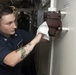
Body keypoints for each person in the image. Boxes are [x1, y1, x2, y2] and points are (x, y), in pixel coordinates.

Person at [0, 6, 49, 75]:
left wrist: (45, 30)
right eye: (9, 23)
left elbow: (41, 39)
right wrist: (35, 41)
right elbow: (11, 61)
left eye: (15, 21)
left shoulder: (19, 33)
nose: (15, 26)